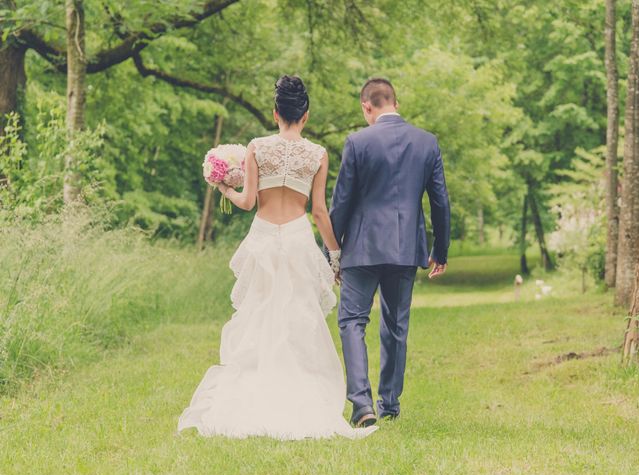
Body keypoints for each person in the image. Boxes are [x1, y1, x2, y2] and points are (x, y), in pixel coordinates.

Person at [177, 75, 377, 440]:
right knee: (299, 319)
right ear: (306, 116)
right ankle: (299, 398)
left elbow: (248, 202)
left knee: (260, 317)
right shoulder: (317, 154)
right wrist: (336, 255)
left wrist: (224, 187)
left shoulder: (257, 147)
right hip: (299, 241)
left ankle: (256, 398)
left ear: (275, 114)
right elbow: (319, 211)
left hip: (264, 239)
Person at [330, 78, 450, 427]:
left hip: (361, 248)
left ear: (367, 106)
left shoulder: (357, 142)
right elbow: (440, 201)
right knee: (396, 325)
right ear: (394, 102)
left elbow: (341, 203)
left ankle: (361, 405)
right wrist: (439, 250)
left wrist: (332, 251)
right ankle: (390, 406)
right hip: (404, 249)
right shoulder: (427, 143)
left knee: (352, 321)